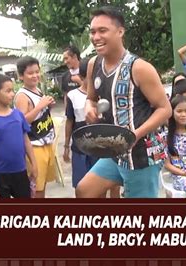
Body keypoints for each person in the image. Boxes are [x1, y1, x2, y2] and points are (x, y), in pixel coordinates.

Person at [77, 6, 172, 198]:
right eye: (93, 32)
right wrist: (89, 107)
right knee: (84, 191)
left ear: (120, 31)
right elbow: (90, 97)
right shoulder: (93, 64)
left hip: (142, 155)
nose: (96, 37)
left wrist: (133, 135)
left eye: (102, 31)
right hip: (114, 152)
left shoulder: (139, 68)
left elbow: (165, 109)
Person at [63, 59, 121, 197]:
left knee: (110, 186)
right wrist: (66, 146)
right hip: (80, 148)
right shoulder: (73, 96)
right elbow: (69, 121)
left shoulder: (105, 94)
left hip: (102, 147)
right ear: (82, 78)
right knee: (83, 186)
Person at [0, 73, 38, 198]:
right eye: (8, 91)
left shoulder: (18, 115)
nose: (12, 94)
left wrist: (34, 164)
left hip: (20, 171)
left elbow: (26, 141)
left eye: (13, 90)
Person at [14, 56, 55, 198]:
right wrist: (40, 106)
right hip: (34, 146)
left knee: (42, 186)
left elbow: (38, 114)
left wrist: (47, 105)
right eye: (30, 73)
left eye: (37, 71)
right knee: (36, 188)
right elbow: (21, 122)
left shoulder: (37, 90)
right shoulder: (22, 96)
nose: (35, 75)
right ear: (21, 76)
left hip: (46, 142)